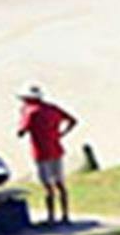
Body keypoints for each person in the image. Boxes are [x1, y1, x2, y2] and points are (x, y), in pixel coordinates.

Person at [14, 85, 78, 225]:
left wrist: (22, 117)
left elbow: (21, 132)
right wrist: (61, 134)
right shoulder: (52, 108)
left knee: (48, 187)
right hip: (56, 149)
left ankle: (51, 217)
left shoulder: (31, 112)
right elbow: (73, 121)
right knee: (60, 184)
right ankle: (65, 215)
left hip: (41, 152)